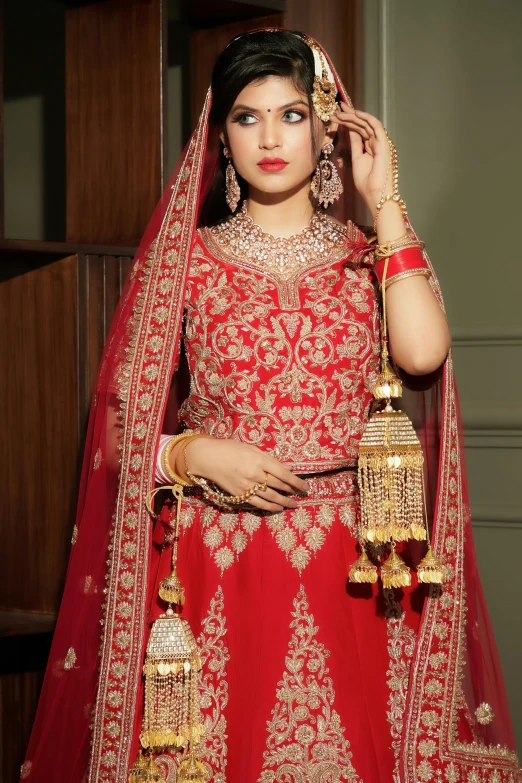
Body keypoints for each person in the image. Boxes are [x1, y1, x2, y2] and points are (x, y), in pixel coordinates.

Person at [22, 29, 520, 783]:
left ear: (328, 129)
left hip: (353, 561)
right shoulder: (184, 265)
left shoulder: (369, 253)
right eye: (246, 117)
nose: (270, 137)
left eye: (291, 115)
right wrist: (193, 452)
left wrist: (385, 203)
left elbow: (422, 355)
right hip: (217, 552)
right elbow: (118, 437)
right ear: (220, 136)